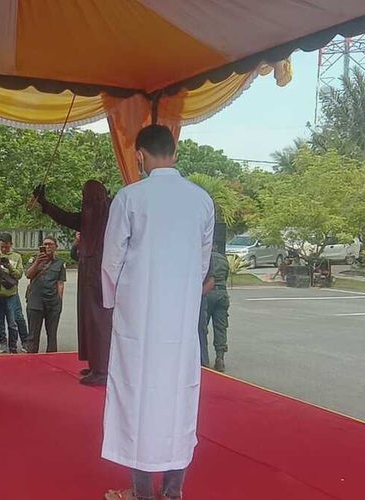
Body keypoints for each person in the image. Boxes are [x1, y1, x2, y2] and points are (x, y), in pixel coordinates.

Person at [101, 125, 214, 500]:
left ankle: (141, 492)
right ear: (174, 152)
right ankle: (173, 490)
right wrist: (182, 298)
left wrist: (113, 302)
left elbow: (111, 260)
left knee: (137, 396)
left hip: (139, 319)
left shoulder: (131, 197)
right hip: (180, 321)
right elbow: (201, 264)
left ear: (140, 155)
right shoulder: (201, 200)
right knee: (178, 397)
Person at [33, 180, 112, 385]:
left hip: (100, 270)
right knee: (89, 318)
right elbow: (67, 218)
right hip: (90, 269)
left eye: (85, 196)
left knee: (98, 319)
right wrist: (46, 203)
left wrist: (45, 203)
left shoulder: (110, 213)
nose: (84, 201)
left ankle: (102, 368)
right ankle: (97, 364)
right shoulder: (95, 213)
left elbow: (68, 218)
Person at [0, 233, 28, 354]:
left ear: (11, 244)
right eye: (2, 246)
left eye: (6, 246)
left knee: (12, 322)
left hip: (11, 294)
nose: (4, 249)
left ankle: (13, 347)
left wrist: (8, 265)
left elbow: (19, 275)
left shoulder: (16, 257)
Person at [25, 236, 66, 353]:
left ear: (56, 247)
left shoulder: (59, 263)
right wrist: (38, 262)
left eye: (50, 244)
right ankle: (31, 361)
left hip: (52, 302)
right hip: (35, 301)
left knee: (52, 335)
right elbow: (28, 274)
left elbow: (60, 283)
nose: (47, 247)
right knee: (33, 335)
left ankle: (52, 361)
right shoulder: (34, 259)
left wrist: (59, 300)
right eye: (45, 244)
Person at [201, 247, 230, 372]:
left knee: (202, 327)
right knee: (221, 327)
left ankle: (204, 358)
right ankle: (220, 358)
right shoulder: (223, 259)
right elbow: (226, 277)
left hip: (209, 293)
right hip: (222, 294)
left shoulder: (205, 257)